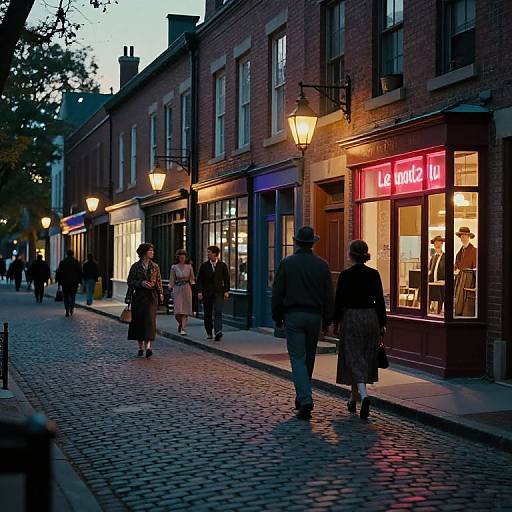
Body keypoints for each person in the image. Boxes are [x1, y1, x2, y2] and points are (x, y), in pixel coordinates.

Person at [272, 226, 334, 421]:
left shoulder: (287, 263)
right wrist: (327, 320)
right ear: (312, 243)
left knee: (297, 358)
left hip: (294, 315)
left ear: (296, 242)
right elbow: (328, 295)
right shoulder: (322, 265)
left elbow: (278, 292)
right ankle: (302, 396)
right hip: (314, 316)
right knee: (309, 359)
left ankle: (305, 398)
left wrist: (277, 316)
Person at [333, 240, 387, 420]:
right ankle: (352, 399)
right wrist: (382, 323)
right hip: (370, 317)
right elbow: (380, 300)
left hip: (352, 317)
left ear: (351, 254)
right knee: (363, 356)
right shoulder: (373, 274)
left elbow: (339, 300)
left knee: (354, 356)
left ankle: (363, 396)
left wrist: (335, 322)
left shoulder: (345, 275)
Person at [126, 243, 164, 358]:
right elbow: (130, 282)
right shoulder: (135, 266)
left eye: (153, 250)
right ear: (144, 253)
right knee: (139, 321)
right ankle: (140, 347)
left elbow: (158, 281)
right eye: (150, 251)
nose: (152, 252)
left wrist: (161, 293)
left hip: (151, 297)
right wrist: (140, 283)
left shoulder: (155, 266)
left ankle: (149, 347)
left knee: (150, 321)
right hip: (139, 297)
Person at [196, 246, 230, 341]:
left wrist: (226, 291)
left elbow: (226, 279)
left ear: (215, 254)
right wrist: (199, 292)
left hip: (219, 292)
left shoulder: (222, 265)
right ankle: (209, 332)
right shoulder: (204, 266)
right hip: (207, 293)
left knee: (218, 312)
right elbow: (199, 280)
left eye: (209, 252)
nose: (208, 254)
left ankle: (218, 331)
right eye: (208, 252)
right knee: (208, 313)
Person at [168, 249, 195, 335]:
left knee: (185, 310)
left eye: (183, 257)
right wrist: (170, 286)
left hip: (187, 288)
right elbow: (172, 279)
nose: (182, 258)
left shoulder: (189, 266)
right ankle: (180, 323)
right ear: (178, 257)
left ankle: (183, 328)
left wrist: (194, 287)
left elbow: (192, 278)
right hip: (178, 288)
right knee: (178, 311)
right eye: (180, 257)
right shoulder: (174, 267)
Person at [56, 250, 82, 317]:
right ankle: (72, 308)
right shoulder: (76, 262)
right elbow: (80, 272)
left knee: (66, 296)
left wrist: (58, 281)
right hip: (74, 282)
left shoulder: (63, 262)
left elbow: (59, 272)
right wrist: (80, 281)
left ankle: (67, 309)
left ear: (67, 254)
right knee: (73, 295)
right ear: (73, 254)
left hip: (65, 282)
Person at [428, 235, 446, 314]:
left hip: (441, 282)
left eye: (439, 242)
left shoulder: (445, 257)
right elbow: (430, 269)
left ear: (442, 243)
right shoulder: (433, 257)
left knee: (440, 298)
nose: (437, 244)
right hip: (432, 281)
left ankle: (439, 312)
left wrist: (444, 280)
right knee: (429, 297)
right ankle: (427, 312)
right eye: (435, 242)